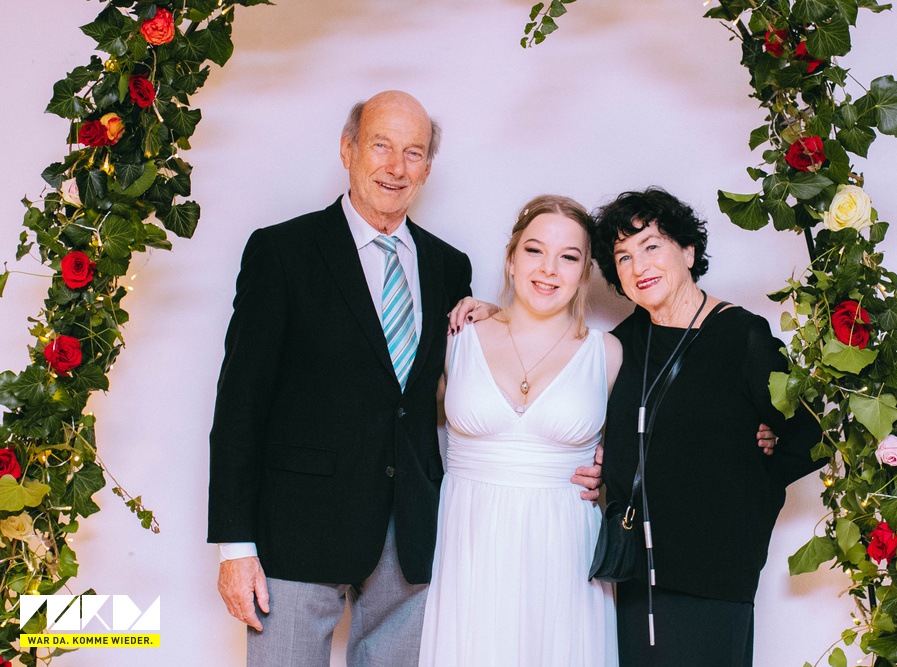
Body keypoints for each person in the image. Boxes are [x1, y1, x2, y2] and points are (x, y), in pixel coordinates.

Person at [206, 91, 603, 666]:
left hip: (413, 533)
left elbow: (462, 374)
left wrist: (497, 314)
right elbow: (239, 405)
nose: (396, 167)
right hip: (296, 529)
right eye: (381, 146)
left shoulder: (448, 265)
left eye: (413, 152)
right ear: (348, 150)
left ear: (428, 167)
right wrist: (234, 547)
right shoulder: (282, 251)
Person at [590, 186, 824, 666]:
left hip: (714, 575)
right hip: (635, 573)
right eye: (623, 257)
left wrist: (755, 473)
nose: (639, 266)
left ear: (688, 251)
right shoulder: (623, 343)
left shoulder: (742, 335)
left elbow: (812, 434)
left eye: (651, 246)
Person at [419, 195, 621, 666]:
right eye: (534, 250)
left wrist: (609, 469)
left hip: (565, 553)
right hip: (469, 547)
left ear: (584, 272)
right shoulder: (457, 338)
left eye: (568, 257)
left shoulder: (608, 353)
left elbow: (653, 442)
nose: (548, 269)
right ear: (511, 259)